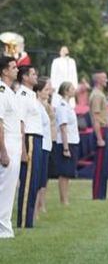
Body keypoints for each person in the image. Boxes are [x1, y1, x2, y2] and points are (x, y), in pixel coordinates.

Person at [16, 65, 43, 228]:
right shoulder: (23, 95)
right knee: (27, 182)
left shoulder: (32, 95)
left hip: (37, 138)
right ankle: (24, 220)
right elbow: (21, 122)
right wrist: (23, 150)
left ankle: (29, 220)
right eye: (33, 73)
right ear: (25, 77)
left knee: (34, 181)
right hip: (30, 138)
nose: (36, 76)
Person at [0, 56, 23, 238]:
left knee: (10, 187)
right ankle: (3, 228)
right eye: (14, 67)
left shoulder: (10, 91)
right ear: (4, 71)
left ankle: (5, 225)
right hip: (7, 143)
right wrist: (3, 151)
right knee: (5, 188)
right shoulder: (1, 91)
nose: (17, 70)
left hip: (15, 142)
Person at [55, 81, 80, 205]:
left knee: (68, 172)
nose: (74, 90)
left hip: (72, 141)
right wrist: (65, 147)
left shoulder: (68, 106)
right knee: (64, 173)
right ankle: (63, 199)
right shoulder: (62, 106)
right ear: (65, 91)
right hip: (67, 142)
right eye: (71, 88)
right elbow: (63, 127)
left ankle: (66, 198)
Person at [34, 77, 55, 219]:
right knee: (37, 180)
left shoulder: (43, 106)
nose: (49, 92)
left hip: (46, 145)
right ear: (38, 92)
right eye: (46, 90)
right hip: (41, 145)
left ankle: (38, 208)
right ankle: (34, 211)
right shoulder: (37, 106)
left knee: (42, 180)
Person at [89, 70, 108, 200]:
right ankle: (97, 194)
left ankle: (101, 194)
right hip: (101, 130)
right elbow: (96, 117)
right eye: (104, 78)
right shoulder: (97, 95)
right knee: (100, 166)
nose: (106, 80)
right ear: (98, 80)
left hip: (104, 130)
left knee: (104, 165)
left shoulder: (100, 94)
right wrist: (99, 138)